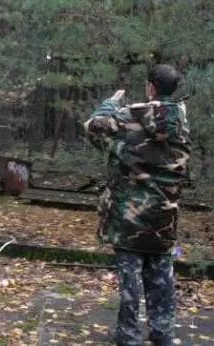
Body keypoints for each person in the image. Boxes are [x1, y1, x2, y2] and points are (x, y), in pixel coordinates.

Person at [84, 64, 191, 346]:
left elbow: (93, 127)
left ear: (151, 87)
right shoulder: (181, 121)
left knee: (130, 278)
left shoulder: (128, 116)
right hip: (164, 214)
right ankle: (162, 331)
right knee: (161, 275)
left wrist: (110, 104)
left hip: (128, 215)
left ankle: (129, 334)